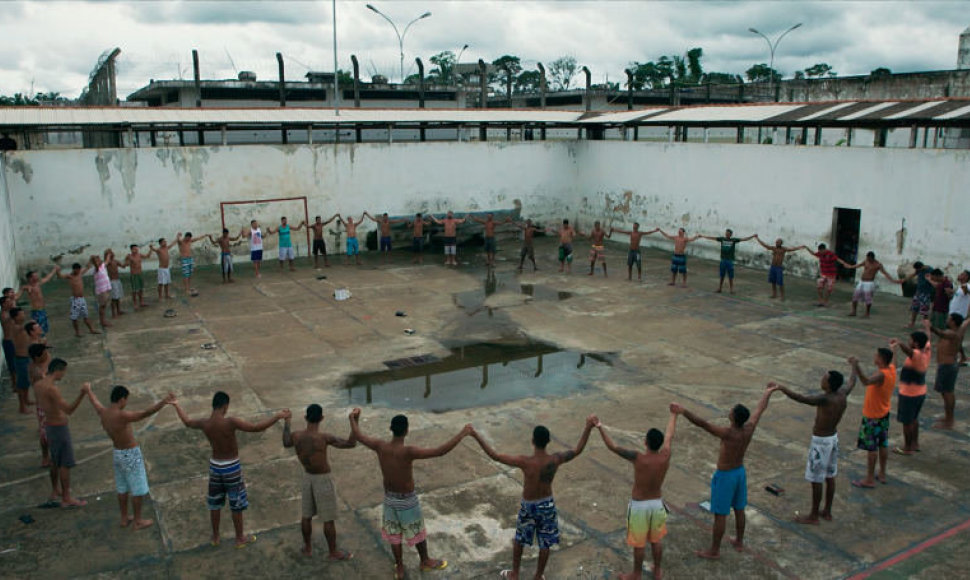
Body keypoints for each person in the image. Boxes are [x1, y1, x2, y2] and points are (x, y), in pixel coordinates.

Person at [469, 418, 597, 580]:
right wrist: (588, 427)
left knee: (520, 540)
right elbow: (578, 449)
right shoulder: (555, 460)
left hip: (529, 506)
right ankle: (538, 576)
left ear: (532, 441)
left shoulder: (525, 462)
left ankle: (515, 573)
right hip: (547, 504)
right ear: (548, 442)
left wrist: (475, 435)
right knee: (545, 542)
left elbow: (494, 456)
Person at [349, 408, 467, 579]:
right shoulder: (408, 451)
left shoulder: (380, 446)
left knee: (394, 535)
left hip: (390, 499)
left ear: (391, 429)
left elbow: (358, 435)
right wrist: (463, 433)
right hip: (407, 500)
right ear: (406, 430)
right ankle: (425, 560)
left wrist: (353, 418)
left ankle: (400, 567)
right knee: (417, 531)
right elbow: (440, 451)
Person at [172, 391, 290, 547]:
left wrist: (176, 405)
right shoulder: (230, 422)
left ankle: (215, 537)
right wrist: (277, 416)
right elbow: (255, 428)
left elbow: (187, 422)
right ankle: (240, 538)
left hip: (215, 466)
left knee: (215, 503)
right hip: (231, 467)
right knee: (236, 504)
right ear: (225, 406)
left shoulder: (205, 423)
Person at [670, 386, 776, 559]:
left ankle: (714, 551)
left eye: (732, 411)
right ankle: (739, 541)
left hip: (726, 476)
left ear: (733, 417)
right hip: (739, 473)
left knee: (720, 514)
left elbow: (702, 424)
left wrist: (683, 411)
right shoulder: (748, 429)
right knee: (739, 509)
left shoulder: (727, 433)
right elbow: (759, 409)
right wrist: (768, 392)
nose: (730, 411)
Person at [595, 411, 678, 580]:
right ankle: (657, 571)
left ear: (645, 442)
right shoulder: (665, 456)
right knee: (656, 540)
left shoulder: (638, 458)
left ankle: (636, 574)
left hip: (640, 505)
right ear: (659, 444)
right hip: (656, 503)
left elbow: (613, 447)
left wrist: (599, 427)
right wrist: (673, 415)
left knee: (639, 544)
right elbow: (670, 435)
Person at [85, 385, 175, 530]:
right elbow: (145, 413)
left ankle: (124, 518)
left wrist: (88, 391)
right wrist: (163, 402)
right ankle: (138, 520)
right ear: (121, 399)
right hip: (130, 453)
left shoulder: (103, 412)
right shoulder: (122, 416)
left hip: (117, 453)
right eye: (126, 400)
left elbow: (94, 401)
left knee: (122, 487)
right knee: (137, 489)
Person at [771, 371, 855, 524]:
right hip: (833, 438)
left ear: (829, 384)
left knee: (816, 479)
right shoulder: (842, 394)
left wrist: (782, 388)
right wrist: (854, 366)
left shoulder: (825, 399)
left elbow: (802, 398)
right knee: (830, 476)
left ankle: (814, 515)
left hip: (821, 442)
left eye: (824, 378)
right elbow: (851, 382)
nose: (821, 379)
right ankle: (827, 511)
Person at [282, 404, 356, 559]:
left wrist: (287, 421)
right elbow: (351, 443)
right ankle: (333, 552)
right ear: (322, 418)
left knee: (306, 515)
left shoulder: (297, 436)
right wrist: (354, 420)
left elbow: (286, 441)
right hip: (323, 479)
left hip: (307, 476)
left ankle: (307, 547)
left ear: (305, 418)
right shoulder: (324, 438)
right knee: (328, 518)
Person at [33, 358, 89, 507]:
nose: (63, 375)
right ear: (58, 370)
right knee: (65, 463)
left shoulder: (38, 385)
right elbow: (69, 410)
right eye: (63, 372)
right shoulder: (52, 389)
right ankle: (66, 497)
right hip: (59, 427)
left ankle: (55, 490)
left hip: (48, 426)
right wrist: (83, 393)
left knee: (54, 460)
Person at [848, 348, 896, 488]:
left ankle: (869, 478)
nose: (874, 356)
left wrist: (855, 365)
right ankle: (882, 472)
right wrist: (894, 348)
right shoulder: (891, 369)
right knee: (883, 443)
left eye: (876, 355)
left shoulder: (881, 375)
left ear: (881, 359)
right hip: (883, 413)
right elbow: (894, 360)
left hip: (873, 416)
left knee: (872, 448)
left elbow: (866, 381)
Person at [890, 323, 932, 455]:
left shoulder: (917, 355)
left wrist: (899, 344)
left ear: (916, 344)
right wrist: (927, 328)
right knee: (914, 419)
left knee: (907, 422)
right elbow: (928, 338)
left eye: (911, 340)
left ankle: (907, 447)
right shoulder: (927, 350)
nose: (909, 342)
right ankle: (915, 443)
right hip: (920, 392)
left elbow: (907, 351)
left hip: (909, 394)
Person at [929, 313, 970, 429]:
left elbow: (941, 333)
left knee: (948, 393)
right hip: (946, 365)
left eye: (949, 319)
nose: (947, 320)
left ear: (953, 322)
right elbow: (959, 345)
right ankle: (948, 417)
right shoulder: (957, 332)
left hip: (947, 366)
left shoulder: (952, 333)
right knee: (945, 392)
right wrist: (962, 355)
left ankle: (949, 420)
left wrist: (930, 327)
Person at [837, 251, 902, 317]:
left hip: (869, 282)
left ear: (872, 258)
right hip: (862, 281)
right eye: (867, 258)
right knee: (855, 296)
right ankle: (854, 311)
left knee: (868, 298)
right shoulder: (866, 261)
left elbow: (885, 273)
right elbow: (857, 265)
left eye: (869, 258)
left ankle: (867, 313)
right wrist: (849, 266)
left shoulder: (878, 264)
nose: (868, 259)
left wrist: (893, 280)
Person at [700, 229, 756, 293]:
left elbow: (744, 239)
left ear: (730, 234)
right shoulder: (722, 239)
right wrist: (703, 236)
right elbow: (712, 238)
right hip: (723, 260)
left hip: (729, 261)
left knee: (730, 276)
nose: (726, 234)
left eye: (728, 233)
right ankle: (720, 288)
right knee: (722, 275)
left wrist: (752, 236)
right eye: (726, 233)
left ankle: (731, 289)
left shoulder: (733, 240)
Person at [55, 262, 100, 336]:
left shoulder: (80, 273)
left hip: (82, 299)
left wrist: (91, 262)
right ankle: (77, 332)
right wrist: (57, 271)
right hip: (75, 300)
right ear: (74, 269)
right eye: (77, 270)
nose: (79, 271)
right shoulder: (69, 276)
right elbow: (60, 276)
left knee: (86, 315)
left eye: (79, 270)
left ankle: (91, 329)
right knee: (74, 317)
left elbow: (87, 267)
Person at [753, 236, 804, 300]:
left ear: (781, 243)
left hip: (779, 268)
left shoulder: (783, 249)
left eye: (778, 242)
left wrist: (800, 247)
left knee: (780, 283)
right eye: (776, 242)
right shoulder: (774, 248)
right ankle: (774, 294)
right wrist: (758, 239)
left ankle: (782, 296)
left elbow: (792, 249)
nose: (776, 243)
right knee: (773, 282)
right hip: (773, 267)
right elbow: (765, 245)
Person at [28, 343, 52, 467]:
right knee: (44, 434)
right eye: (44, 353)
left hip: (52, 401)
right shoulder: (35, 370)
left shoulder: (45, 360)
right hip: (43, 405)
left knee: (54, 429)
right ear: (37, 357)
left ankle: (49, 454)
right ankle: (45, 456)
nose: (46, 354)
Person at [20, 268, 57, 335]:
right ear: (30, 278)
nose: (37, 277)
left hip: (42, 310)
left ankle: (42, 341)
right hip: (36, 312)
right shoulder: (28, 287)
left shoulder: (38, 284)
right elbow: (21, 292)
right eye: (35, 276)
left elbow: (47, 278)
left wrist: (54, 270)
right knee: (38, 330)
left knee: (44, 329)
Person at [11, 308, 33, 413]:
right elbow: (24, 328)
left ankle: (26, 400)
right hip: (21, 358)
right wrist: (32, 324)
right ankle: (22, 407)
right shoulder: (16, 327)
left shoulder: (20, 327)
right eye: (21, 314)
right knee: (21, 384)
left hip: (25, 357)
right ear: (16, 317)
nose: (23, 315)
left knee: (26, 382)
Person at [901, 262, 934, 327]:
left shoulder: (930, 270)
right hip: (918, 291)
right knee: (914, 308)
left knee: (925, 310)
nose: (917, 271)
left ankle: (926, 325)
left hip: (926, 292)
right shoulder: (919, 270)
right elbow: (913, 274)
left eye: (918, 270)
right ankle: (912, 323)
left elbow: (933, 279)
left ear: (921, 267)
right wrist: (905, 279)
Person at [948, 270, 970, 363]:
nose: (960, 275)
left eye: (962, 275)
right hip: (953, 314)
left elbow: (967, 291)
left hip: (959, 316)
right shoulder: (960, 287)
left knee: (956, 336)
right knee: (956, 336)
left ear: (966, 277)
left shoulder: (966, 286)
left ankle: (959, 356)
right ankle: (962, 356)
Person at [123, 244, 153, 310]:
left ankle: (141, 302)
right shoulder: (129, 256)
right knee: (134, 290)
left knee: (141, 289)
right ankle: (135, 304)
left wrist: (151, 249)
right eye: (134, 249)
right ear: (131, 250)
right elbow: (126, 265)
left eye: (136, 248)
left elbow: (147, 256)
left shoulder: (139, 255)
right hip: (134, 275)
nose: (136, 250)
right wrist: (127, 260)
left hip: (140, 274)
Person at [104, 249, 128, 318]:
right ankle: (113, 313)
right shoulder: (107, 262)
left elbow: (123, 266)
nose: (112, 253)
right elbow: (106, 262)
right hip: (112, 281)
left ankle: (118, 310)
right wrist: (108, 255)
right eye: (110, 253)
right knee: (113, 298)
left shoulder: (115, 261)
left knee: (118, 297)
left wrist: (127, 260)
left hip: (117, 280)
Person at [91, 254, 112, 328]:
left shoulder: (102, 266)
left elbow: (107, 260)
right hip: (101, 291)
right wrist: (93, 259)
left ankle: (103, 320)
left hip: (106, 289)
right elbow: (95, 264)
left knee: (104, 306)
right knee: (102, 306)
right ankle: (102, 321)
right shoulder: (96, 269)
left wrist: (108, 254)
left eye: (99, 259)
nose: (99, 261)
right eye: (97, 260)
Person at [2, 295, 18, 389]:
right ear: (3, 304)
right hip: (9, 342)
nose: (10, 303)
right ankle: (14, 384)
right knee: (12, 364)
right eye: (8, 302)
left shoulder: (9, 313)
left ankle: (16, 383)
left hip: (13, 340)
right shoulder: (4, 314)